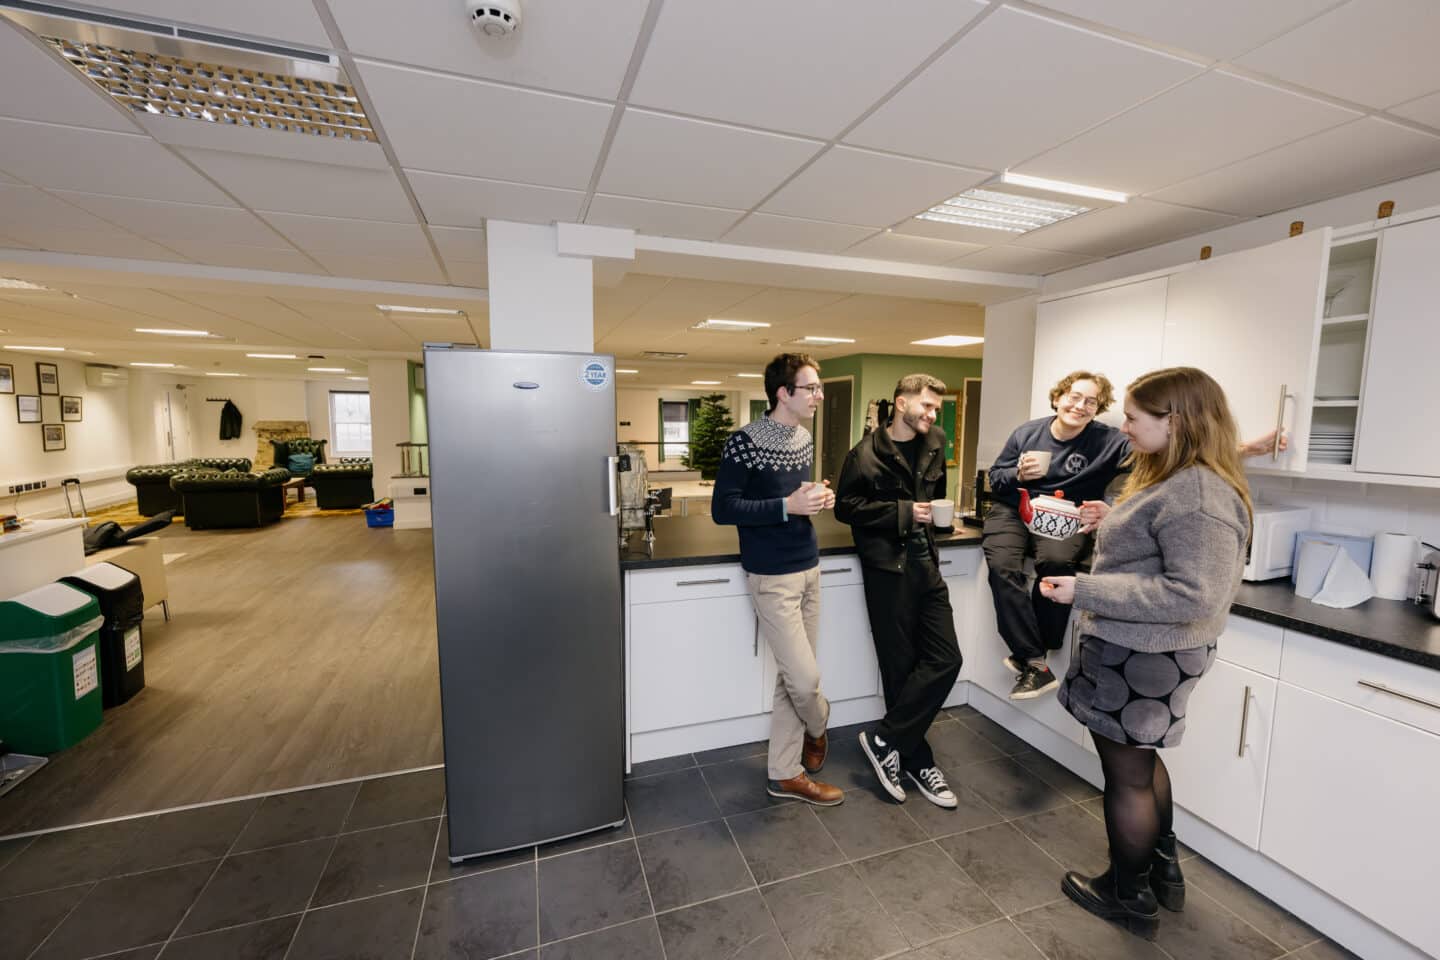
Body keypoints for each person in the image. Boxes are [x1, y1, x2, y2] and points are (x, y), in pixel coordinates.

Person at [1037, 366, 1254, 941]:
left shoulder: (1197, 494)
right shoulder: (1183, 480)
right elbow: (1164, 553)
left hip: (1144, 653)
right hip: (1148, 651)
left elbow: (1190, 592)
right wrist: (1118, 522)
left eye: (1133, 418)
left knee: (1127, 775)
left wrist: (1082, 588)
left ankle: (1126, 894)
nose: (1124, 427)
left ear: (1174, 422)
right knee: (1141, 762)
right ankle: (1161, 869)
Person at [985, 371, 1281, 700]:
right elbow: (995, 477)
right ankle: (1033, 658)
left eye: (1091, 401)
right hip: (1014, 508)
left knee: (1056, 563)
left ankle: (1034, 656)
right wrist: (1016, 473)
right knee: (1002, 566)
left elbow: (1182, 447)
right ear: (1057, 398)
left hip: (1066, 515)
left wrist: (1245, 449)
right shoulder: (1027, 432)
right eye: (1074, 396)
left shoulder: (1111, 442)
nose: (1080, 406)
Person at [711, 353, 842, 806]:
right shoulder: (743, 442)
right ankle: (819, 728)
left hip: (810, 566)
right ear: (783, 393)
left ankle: (785, 773)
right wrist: (788, 506)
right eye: (812, 389)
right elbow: (724, 509)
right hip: (771, 576)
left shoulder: (803, 437)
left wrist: (815, 498)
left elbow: (794, 498)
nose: (819, 397)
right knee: (805, 682)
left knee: (791, 678)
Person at [835, 374, 962, 808]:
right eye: (925, 407)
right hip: (887, 570)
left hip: (927, 563)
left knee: (947, 658)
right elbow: (845, 508)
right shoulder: (864, 454)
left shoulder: (936, 441)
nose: (932, 415)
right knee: (901, 667)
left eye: (935, 410)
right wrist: (906, 512)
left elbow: (937, 493)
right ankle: (917, 759)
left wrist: (937, 519)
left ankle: (885, 740)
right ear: (900, 403)